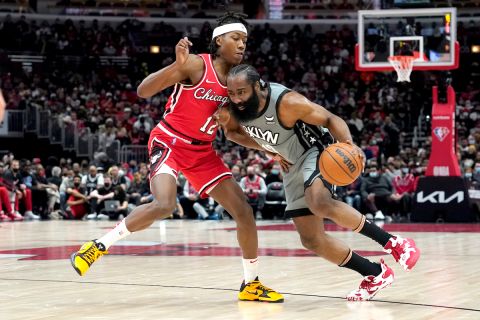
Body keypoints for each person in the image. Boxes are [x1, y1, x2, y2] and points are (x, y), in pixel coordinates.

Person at [70, 13, 282, 303]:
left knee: (244, 211)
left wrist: (270, 149)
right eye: (236, 38)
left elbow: (232, 133)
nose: (242, 44)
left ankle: (251, 283)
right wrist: (175, 66)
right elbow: (143, 91)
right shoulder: (196, 64)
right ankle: (97, 246)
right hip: (169, 140)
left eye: (245, 40)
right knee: (165, 203)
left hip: (202, 151)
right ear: (219, 40)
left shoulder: (238, 81)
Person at [218, 64, 420, 301]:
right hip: (291, 163)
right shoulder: (233, 107)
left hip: (316, 151)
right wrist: (270, 151)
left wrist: (349, 145)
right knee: (312, 239)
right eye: (231, 93)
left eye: (241, 92)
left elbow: (330, 118)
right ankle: (375, 273)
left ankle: (396, 244)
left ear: (257, 86)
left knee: (319, 202)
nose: (236, 98)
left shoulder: (287, 102)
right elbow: (232, 133)